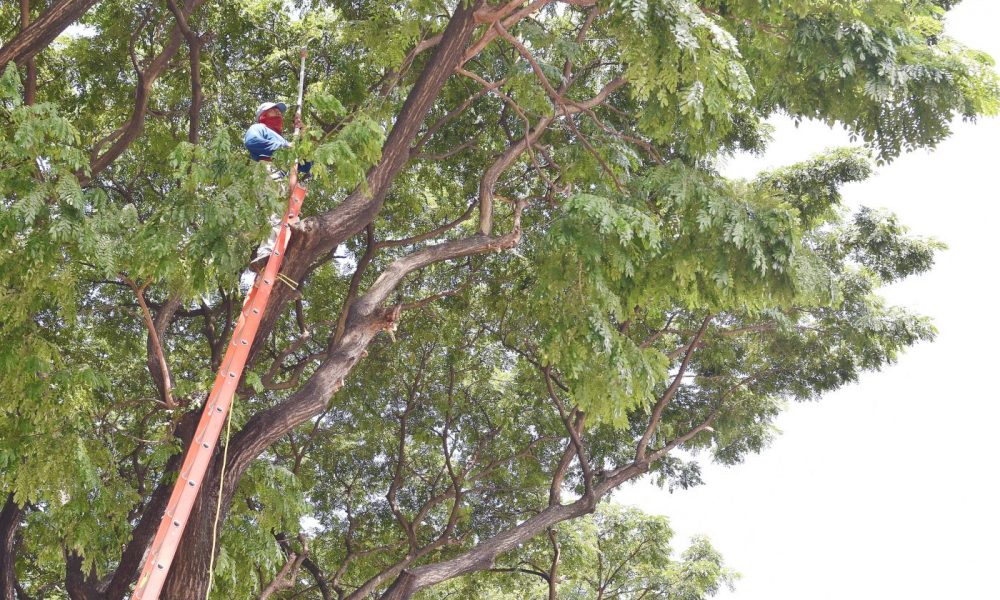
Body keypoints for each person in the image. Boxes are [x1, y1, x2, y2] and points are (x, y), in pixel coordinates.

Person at [244, 101, 311, 272]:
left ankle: (281, 253)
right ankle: (266, 252)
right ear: (263, 116)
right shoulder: (259, 128)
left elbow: (306, 164)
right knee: (274, 212)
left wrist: (302, 135)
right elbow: (252, 142)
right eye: (274, 112)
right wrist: (285, 148)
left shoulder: (287, 141)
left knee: (285, 217)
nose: (279, 115)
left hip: (285, 178)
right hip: (268, 170)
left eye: (279, 113)